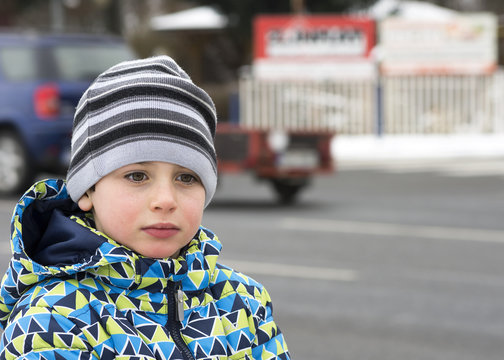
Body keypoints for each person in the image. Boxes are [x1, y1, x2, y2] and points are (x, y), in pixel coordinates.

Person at [0, 55, 290, 359]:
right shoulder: (54, 322)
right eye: (137, 176)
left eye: (186, 177)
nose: (165, 200)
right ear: (87, 189)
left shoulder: (243, 302)